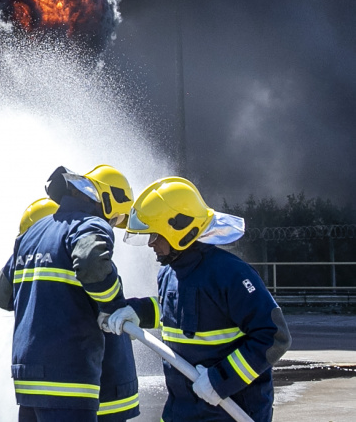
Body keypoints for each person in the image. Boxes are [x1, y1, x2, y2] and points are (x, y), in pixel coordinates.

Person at [103, 177, 291, 421]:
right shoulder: (169, 273)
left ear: (178, 229)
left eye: (155, 235)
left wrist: (221, 380)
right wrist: (138, 311)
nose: (151, 243)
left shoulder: (231, 274)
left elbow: (274, 335)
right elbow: (177, 311)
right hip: (181, 410)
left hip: (230, 411)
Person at [0, 165, 136, 422]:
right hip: (68, 378)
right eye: (115, 219)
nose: (112, 224)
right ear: (108, 201)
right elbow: (91, 262)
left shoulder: (34, 232)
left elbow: (0, 294)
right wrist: (114, 306)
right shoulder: (89, 224)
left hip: (28, 379)